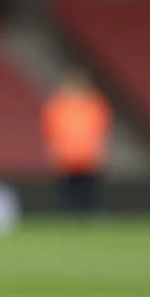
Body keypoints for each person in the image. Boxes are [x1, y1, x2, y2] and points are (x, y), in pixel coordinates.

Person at [41, 67, 111, 215]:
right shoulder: (59, 105)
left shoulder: (94, 103)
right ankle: (69, 217)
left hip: (88, 157)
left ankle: (92, 216)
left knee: (89, 192)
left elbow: (101, 129)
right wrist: (54, 150)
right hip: (67, 157)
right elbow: (51, 130)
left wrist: (101, 150)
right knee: (68, 193)